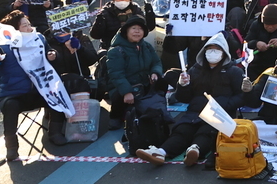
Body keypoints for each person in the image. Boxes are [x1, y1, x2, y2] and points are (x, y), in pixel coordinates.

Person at [139, 33, 247, 166]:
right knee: (182, 130)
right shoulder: (195, 70)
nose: (213, 53)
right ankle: (160, 152)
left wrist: (225, 104)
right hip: (194, 111)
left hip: (219, 114)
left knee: (207, 132)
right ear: (204, 51)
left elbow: (241, 97)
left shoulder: (234, 72)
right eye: (209, 49)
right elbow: (183, 97)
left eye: (217, 49)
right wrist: (183, 85)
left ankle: (195, 150)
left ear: (224, 52)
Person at [0, 11, 75, 162]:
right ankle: (11, 147)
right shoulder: (2, 44)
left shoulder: (38, 38)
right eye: (24, 25)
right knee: (11, 107)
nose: (29, 27)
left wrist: (53, 55)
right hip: (13, 93)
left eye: (29, 24)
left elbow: (50, 55)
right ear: (13, 29)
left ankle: (55, 133)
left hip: (38, 89)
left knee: (55, 93)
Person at [104, 16, 163, 129]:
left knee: (163, 81)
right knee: (119, 97)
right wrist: (127, 92)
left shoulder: (146, 46)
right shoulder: (116, 51)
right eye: (133, 28)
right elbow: (116, 74)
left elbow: (157, 62)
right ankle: (115, 116)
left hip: (143, 84)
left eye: (140, 29)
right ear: (126, 31)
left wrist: (155, 73)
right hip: (124, 86)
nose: (137, 31)